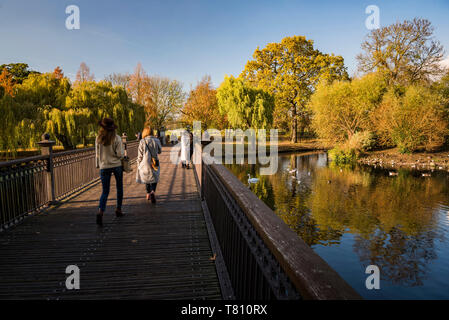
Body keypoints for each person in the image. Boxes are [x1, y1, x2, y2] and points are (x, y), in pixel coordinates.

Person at [95, 118, 124, 226]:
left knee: (105, 191)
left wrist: (98, 165)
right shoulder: (117, 138)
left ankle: (100, 211)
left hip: (104, 166)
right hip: (116, 165)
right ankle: (118, 209)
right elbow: (120, 154)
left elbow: (97, 155)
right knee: (119, 187)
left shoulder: (98, 139)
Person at [136, 126, 162, 203]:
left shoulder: (142, 141)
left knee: (146, 178)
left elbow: (140, 155)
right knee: (155, 177)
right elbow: (160, 151)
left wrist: (138, 164)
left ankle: (148, 193)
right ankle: (153, 191)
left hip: (145, 162)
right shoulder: (156, 140)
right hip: (154, 162)